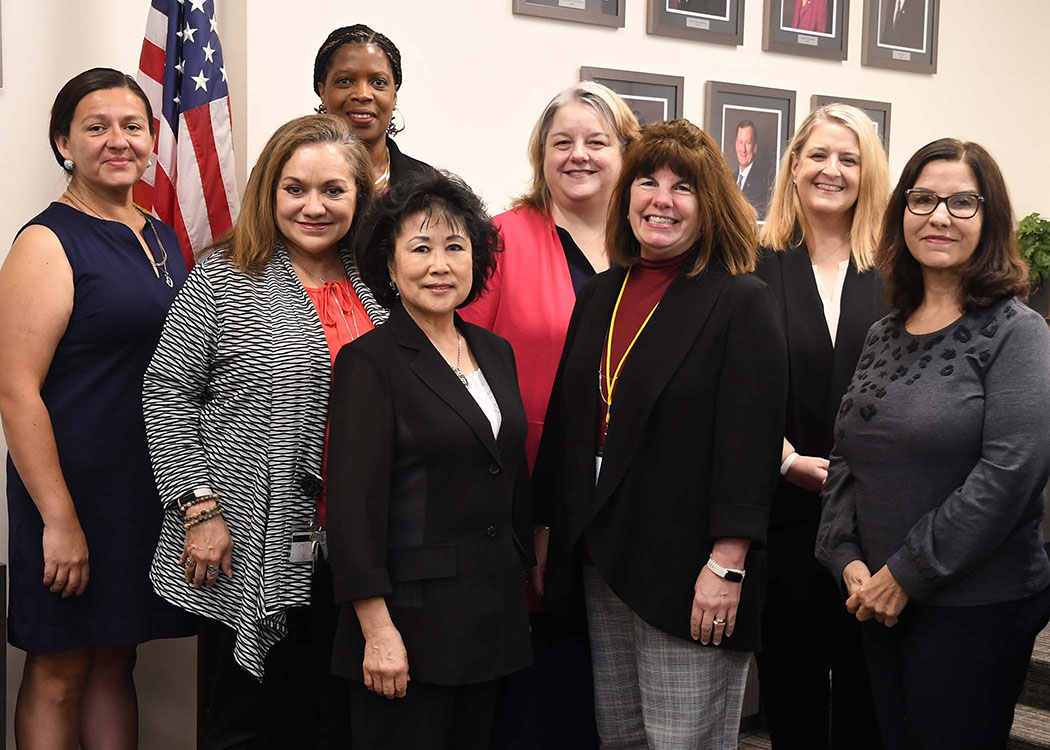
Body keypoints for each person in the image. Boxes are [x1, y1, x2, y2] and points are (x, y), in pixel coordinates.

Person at [533, 119, 788, 749]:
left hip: (688, 568)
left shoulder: (739, 301)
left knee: (683, 741)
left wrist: (727, 564)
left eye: (684, 188)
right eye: (647, 181)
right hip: (602, 558)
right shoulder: (601, 296)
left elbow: (748, 444)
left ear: (711, 205)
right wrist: (544, 529)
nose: (661, 200)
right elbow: (570, 422)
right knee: (621, 738)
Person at [142, 114, 387, 749]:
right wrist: (198, 508)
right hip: (247, 537)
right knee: (250, 723)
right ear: (268, 192)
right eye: (295, 188)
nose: (313, 206)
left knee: (335, 718)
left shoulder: (381, 285)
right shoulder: (223, 276)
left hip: (356, 543)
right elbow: (166, 391)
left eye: (333, 190)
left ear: (359, 197)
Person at [817, 138, 1050, 749]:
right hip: (872, 599)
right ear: (901, 215)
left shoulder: (1017, 332)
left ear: (990, 219)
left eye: (961, 203)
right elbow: (847, 456)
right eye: (922, 200)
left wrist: (906, 573)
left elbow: (1011, 472)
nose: (939, 216)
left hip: (974, 607)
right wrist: (848, 561)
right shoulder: (883, 333)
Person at [0, 67, 193, 750]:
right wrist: (58, 519)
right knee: (59, 668)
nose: (119, 139)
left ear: (150, 141)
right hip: (71, 492)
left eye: (132, 126)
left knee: (119, 655)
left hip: (143, 491)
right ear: (63, 143)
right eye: (97, 126)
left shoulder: (164, 236)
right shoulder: (46, 242)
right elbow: (14, 390)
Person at [459, 80, 639, 750]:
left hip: (629, 504)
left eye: (597, 141)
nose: (579, 155)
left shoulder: (652, 248)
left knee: (617, 689)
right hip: (524, 496)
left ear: (627, 153)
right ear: (540, 156)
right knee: (540, 692)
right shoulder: (498, 240)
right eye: (562, 142)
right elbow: (461, 370)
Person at [326, 170, 533, 750]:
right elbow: (352, 508)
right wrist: (377, 628)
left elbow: (506, 469)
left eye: (454, 247)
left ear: (477, 260)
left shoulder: (496, 352)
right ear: (390, 269)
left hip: (490, 618)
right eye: (420, 248)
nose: (439, 265)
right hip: (408, 626)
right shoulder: (371, 362)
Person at [754, 104, 889, 750]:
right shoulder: (751, 262)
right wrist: (783, 459)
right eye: (818, 155)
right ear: (793, 165)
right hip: (782, 515)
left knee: (870, 705)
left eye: (849, 158)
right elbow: (733, 391)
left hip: (880, 526)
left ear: (868, 174)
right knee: (793, 701)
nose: (831, 170)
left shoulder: (897, 270)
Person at [313, 24, 435, 196]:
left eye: (378, 82)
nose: (363, 95)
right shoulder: (287, 175)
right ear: (323, 92)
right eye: (345, 81)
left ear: (394, 96)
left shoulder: (428, 187)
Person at [733, 120, 772, 218]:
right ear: (736, 145)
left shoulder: (764, 183)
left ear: (755, 147)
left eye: (748, 143)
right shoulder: (730, 179)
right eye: (740, 142)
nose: (743, 149)